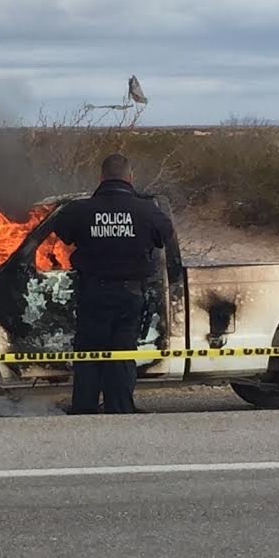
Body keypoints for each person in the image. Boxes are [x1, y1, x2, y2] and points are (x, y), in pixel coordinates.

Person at [52, 153, 174, 414]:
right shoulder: (146, 211)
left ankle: (84, 408)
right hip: (130, 294)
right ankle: (120, 409)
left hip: (93, 292)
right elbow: (165, 232)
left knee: (88, 353)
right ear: (130, 178)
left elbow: (61, 230)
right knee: (122, 352)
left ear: (101, 177)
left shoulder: (80, 210)